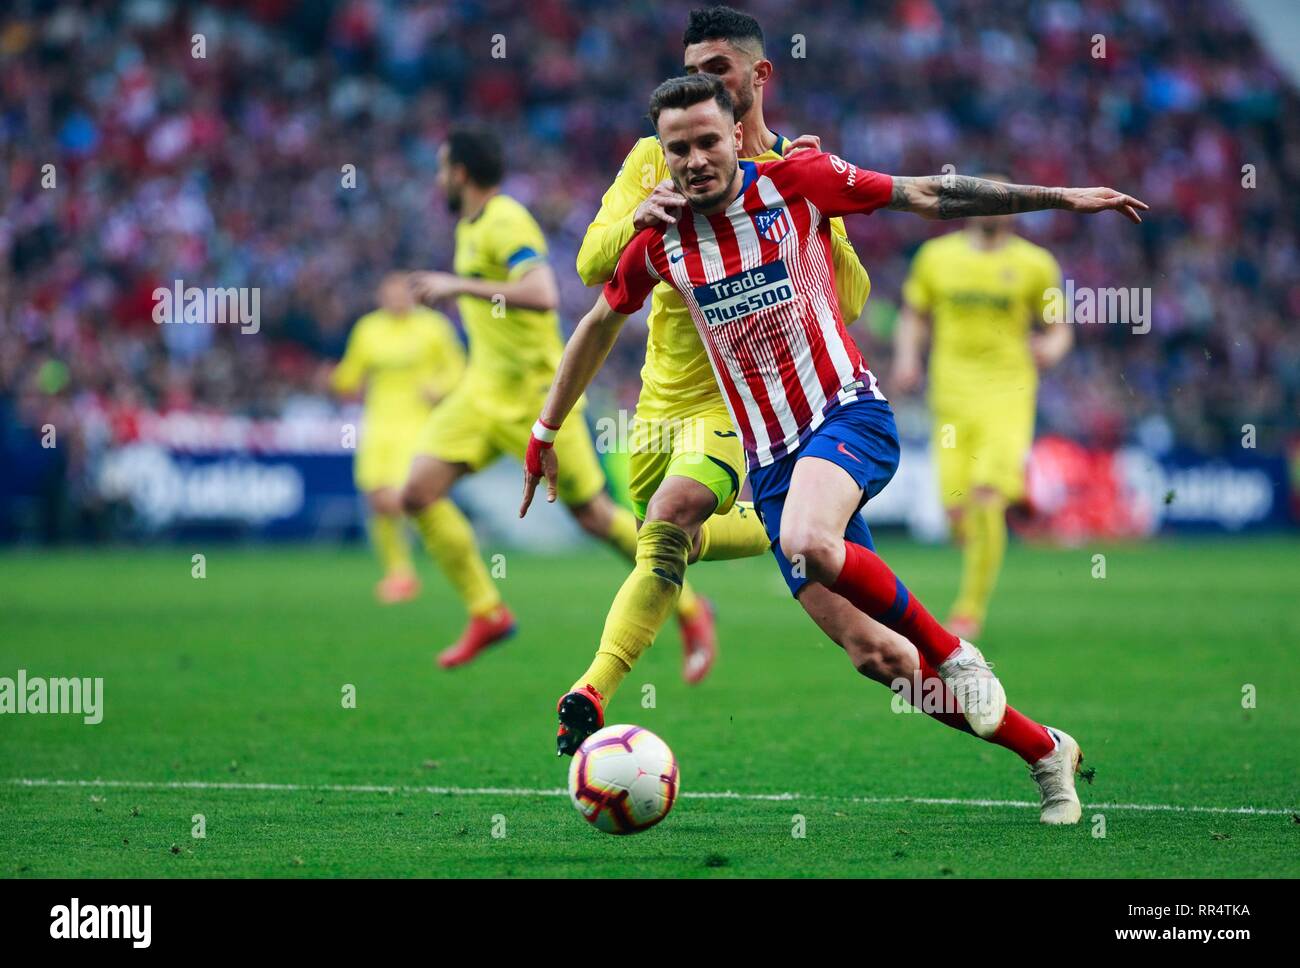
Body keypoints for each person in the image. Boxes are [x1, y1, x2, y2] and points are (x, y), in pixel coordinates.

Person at [522, 74, 1148, 823]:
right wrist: (545, 430)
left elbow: (928, 195)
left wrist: (1061, 197)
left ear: (736, 132)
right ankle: (1045, 750)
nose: (694, 160)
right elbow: (596, 323)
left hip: (846, 415)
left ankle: (956, 650)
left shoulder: (798, 183)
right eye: (678, 148)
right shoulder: (659, 239)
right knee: (881, 659)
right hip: (775, 462)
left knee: (809, 541)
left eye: (708, 141)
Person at [405, 126, 716, 669]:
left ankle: (690, 607)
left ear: (459, 172)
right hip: (481, 393)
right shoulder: (469, 227)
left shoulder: (505, 219)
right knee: (416, 493)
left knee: (595, 517)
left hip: (536, 395)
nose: (438, 179)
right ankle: (488, 611)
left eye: (440, 168)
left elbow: (542, 293)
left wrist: (458, 287)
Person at [893, 188, 1072, 640]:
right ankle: (1016, 490)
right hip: (950, 396)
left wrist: (1049, 348)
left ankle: (968, 610)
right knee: (957, 512)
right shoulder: (936, 257)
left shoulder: (1035, 264)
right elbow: (914, 315)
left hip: (1007, 394)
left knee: (987, 498)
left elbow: (1058, 327)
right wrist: (907, 359)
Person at [327, 273, 465, 603]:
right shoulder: (368, 329)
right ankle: (399, 573)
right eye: (389, 293)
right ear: (380, 296)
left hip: (418, 424)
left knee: (408, 497)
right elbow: (351, 374)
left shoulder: (433, 327)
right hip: (379, 423)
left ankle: (451, 553)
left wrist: (439, 388)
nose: (396, 299)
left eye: (402, 292)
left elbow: (458, 370)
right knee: (378, 500)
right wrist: (337, 379)